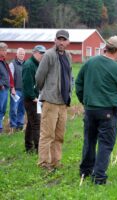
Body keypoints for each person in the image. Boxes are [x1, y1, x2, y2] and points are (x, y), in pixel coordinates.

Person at [76, 36, 117, 185]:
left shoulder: (90, 62)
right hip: (107, 112)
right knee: (105, 143)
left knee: (89, 141)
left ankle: (85, 171)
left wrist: (85, 101)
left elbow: (79, 83)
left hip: (90, 110)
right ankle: (99, 177)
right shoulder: (116, 67)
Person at [35, 30, 72, 171]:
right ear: (55, 40)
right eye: (59, 39)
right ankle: (44, 163)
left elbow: (70, 76)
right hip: (50, 101)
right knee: (47, 134)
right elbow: (39, 76)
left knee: (59, 135)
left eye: (64, 40)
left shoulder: (68, 56)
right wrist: (45, 91)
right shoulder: (49, 55)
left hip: (63, 102)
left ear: (68, 42)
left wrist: (69, 91)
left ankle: (56, 161)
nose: (61, 42)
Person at [22, 45, 46, 153]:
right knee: (36, 123)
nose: (42, 55)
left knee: (31, 124)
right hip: (31, 99)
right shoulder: (29, 65)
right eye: (41, 53)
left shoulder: (38, 64)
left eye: (44, 53)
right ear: (35, 53)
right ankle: (38, 148)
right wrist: (33, 98)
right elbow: (27, 84)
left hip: (37, 98)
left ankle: (28, 147)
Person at [9, 48, 26, 132]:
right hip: (15, 90)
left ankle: (20, 125)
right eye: (20, 54)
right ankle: (13, 125)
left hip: (24, 91)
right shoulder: (12, 64)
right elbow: (10, 77)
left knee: (22, 109)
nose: (22, 55)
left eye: (23, 54)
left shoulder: (26, 64)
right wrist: (12, 88)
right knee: (13, 109)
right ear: (17, 54)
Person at [0, 42, 15, 134]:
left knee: (3, 109)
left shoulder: (3, 61)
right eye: (4, 50)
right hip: (1, 88)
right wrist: (1, 84)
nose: (6, 52)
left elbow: (8, 75)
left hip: (5, 88)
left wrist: (11, 86)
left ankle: (0, 127)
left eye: (6, 50)